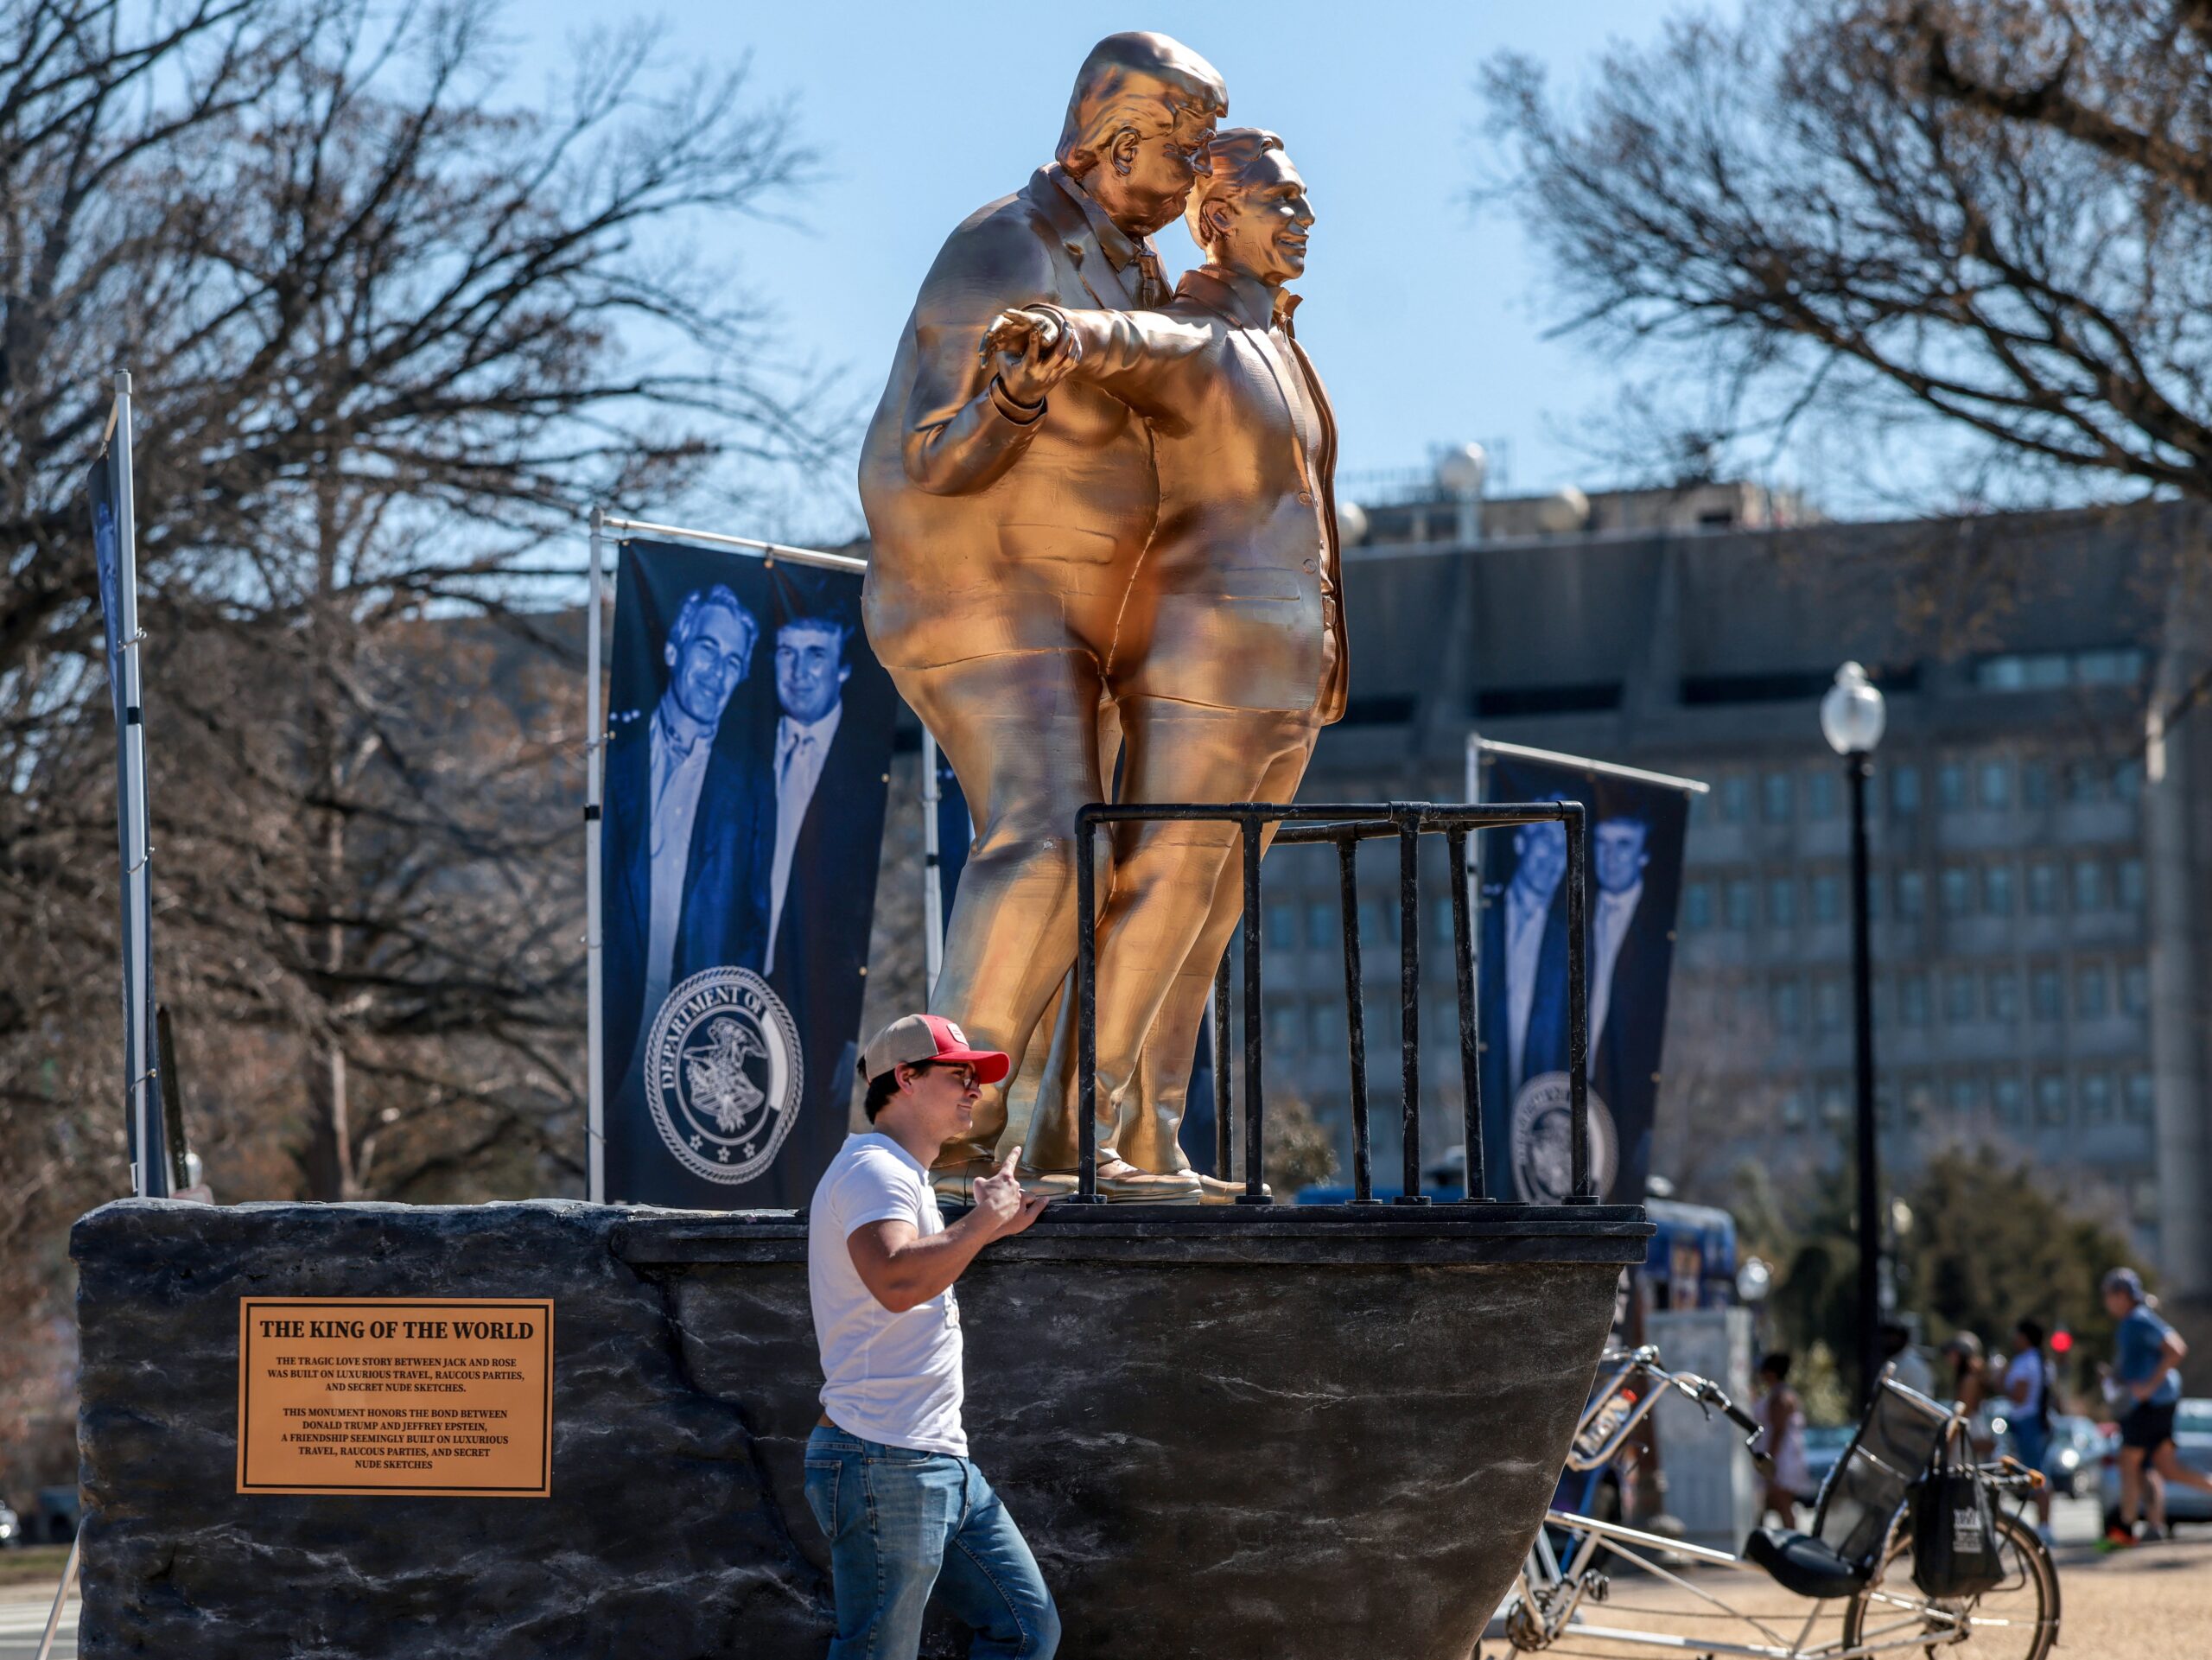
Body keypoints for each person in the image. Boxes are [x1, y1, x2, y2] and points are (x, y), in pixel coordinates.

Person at [858, 33, 1228, 1203]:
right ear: (1120, 143)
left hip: (1099, 618)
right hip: (984, 597)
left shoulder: (1140, 274)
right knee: (1051, 832)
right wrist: (1015, 394)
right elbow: (929, 457)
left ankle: (1068, 1136)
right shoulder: (1006, 245)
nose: (1198, 180)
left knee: (1122, 857)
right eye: (1187, 152)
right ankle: (943, 1132)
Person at [977, 128, 1349, 1193]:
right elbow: (1122, 341)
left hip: (1291, 676)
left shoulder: (1281, 343)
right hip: (1206, 664)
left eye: (1304, 202)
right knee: (1161, 889)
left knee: (1213, 908)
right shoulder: (1199, 336)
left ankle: (1151, 1132)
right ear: (1217, 219)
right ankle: (1073, 1132)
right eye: (1282, 201)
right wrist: (1058, 331)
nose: (1303, 220)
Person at [805, 1014, 1058, 1657]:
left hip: (933, 1458)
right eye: (957, 1075)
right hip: (882, 1457)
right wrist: (981, 1222)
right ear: (906, 1078)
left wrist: (986, 1229)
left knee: (1026, 1631)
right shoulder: (873, 1168)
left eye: (976, 1077)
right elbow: (894, 1279)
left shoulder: (900, 1172)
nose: (976, 1089)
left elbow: (911, 1271)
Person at [601, 583, 765, 1105]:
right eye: (707, 649)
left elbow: (754, 919)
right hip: (598, 1016)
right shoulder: (611, 759)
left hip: (695, 1033)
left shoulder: (750, 788)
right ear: (675, 650)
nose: (717, 672)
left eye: (733, 661)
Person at [2101, 1266, 2212, 1548]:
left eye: (2108, 1295)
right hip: (2157, 1403)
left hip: (2151, 1404)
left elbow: (2176, 1349)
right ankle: (2148, 1526)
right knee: (2166, 1467)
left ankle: (2124, 1531)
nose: (2106, 1301)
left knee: (2128, 1460)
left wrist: (2148, 1386)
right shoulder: (2132, 1322)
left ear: (2122, 1295)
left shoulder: (2138, 1319)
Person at [2004, 1318, 2057, 1545]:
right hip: (2036, 1421)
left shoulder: (2026, 1361)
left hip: (2028, 1422)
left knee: (2036, 1475)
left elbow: (2019, 1396)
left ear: (2025, 1337)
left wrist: (1999, 1381)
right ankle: (2043, 1525)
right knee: (2037, 1473)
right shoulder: (2041, 1360)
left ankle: (2045, 1527)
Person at [1754, 1352, 1814, 1528]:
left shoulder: (1780, 1398)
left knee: (1782, 1505)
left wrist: (1768, 1462)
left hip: (1780, 1461)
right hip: (1785, 1458)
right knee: (1772, 1505)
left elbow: (1777, 1431)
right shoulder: (1782, 1394)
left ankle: (1790, 1540)